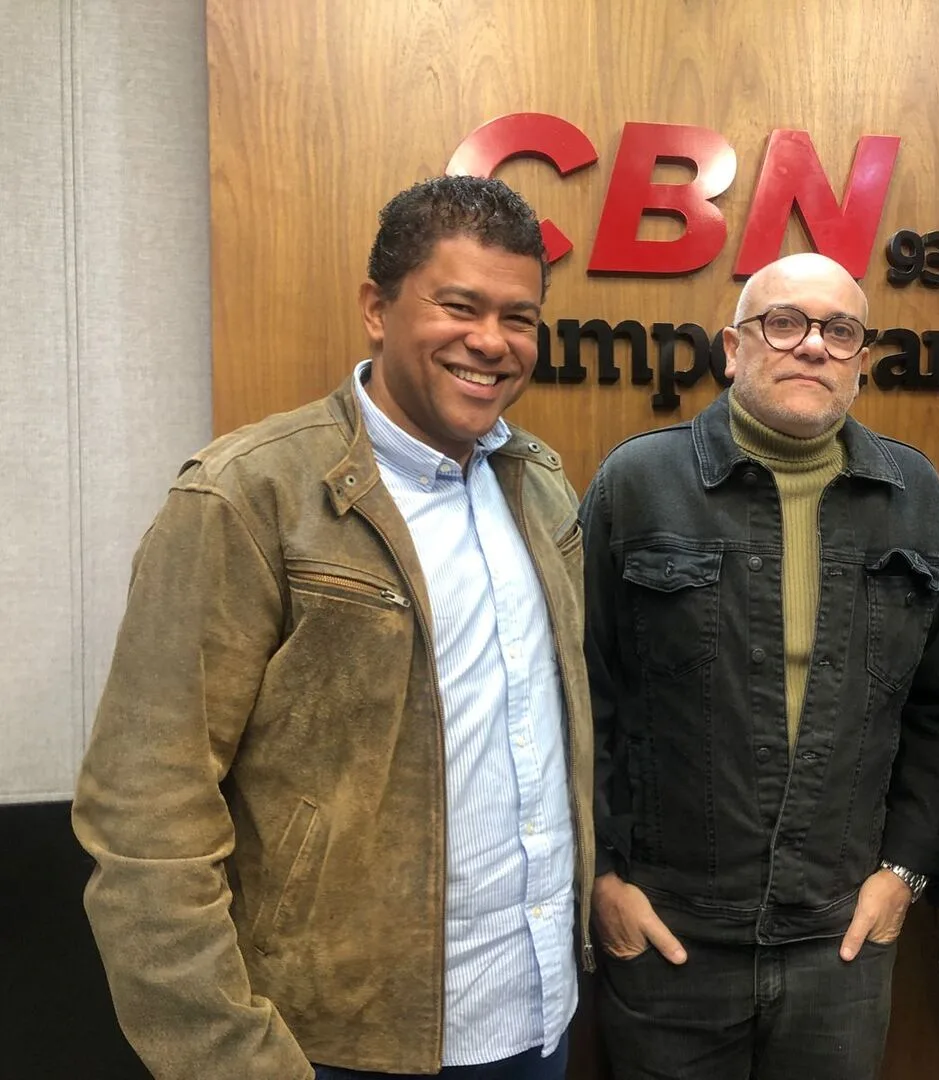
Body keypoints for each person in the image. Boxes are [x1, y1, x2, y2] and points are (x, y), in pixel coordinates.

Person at [72, 175, 594, 1080]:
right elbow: (145, 819)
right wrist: (228, 1059)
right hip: (337, 1042)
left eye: (520, 316)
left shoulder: (541, 488)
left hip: (535, 1014)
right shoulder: (246, 497)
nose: (492, 342)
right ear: (376, 309)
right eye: (459, 305)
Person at [580, 252, 939, 1080]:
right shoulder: (638, 483)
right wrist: (602, 878)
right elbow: (585, 698)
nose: (812, 347)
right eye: (784, 324)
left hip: (841, 943)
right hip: (668, 936)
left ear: (862, 362)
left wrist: (904, 872)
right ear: (734, 346)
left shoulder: (915, 493)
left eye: (840, 331)